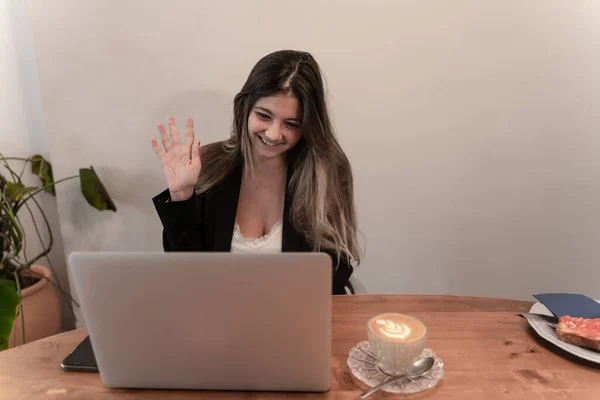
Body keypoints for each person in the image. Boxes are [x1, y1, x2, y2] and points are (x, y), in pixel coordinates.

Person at [150, 50, 361, 295]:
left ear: (307, 127)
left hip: (292, 321)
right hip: (216, 320)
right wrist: (182, 196)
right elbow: (186, 275)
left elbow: (334, 275)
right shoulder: (207, 165)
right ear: (245, 108)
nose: (273, 134)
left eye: (291, 124)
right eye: (264, 115)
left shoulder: (326, 171)